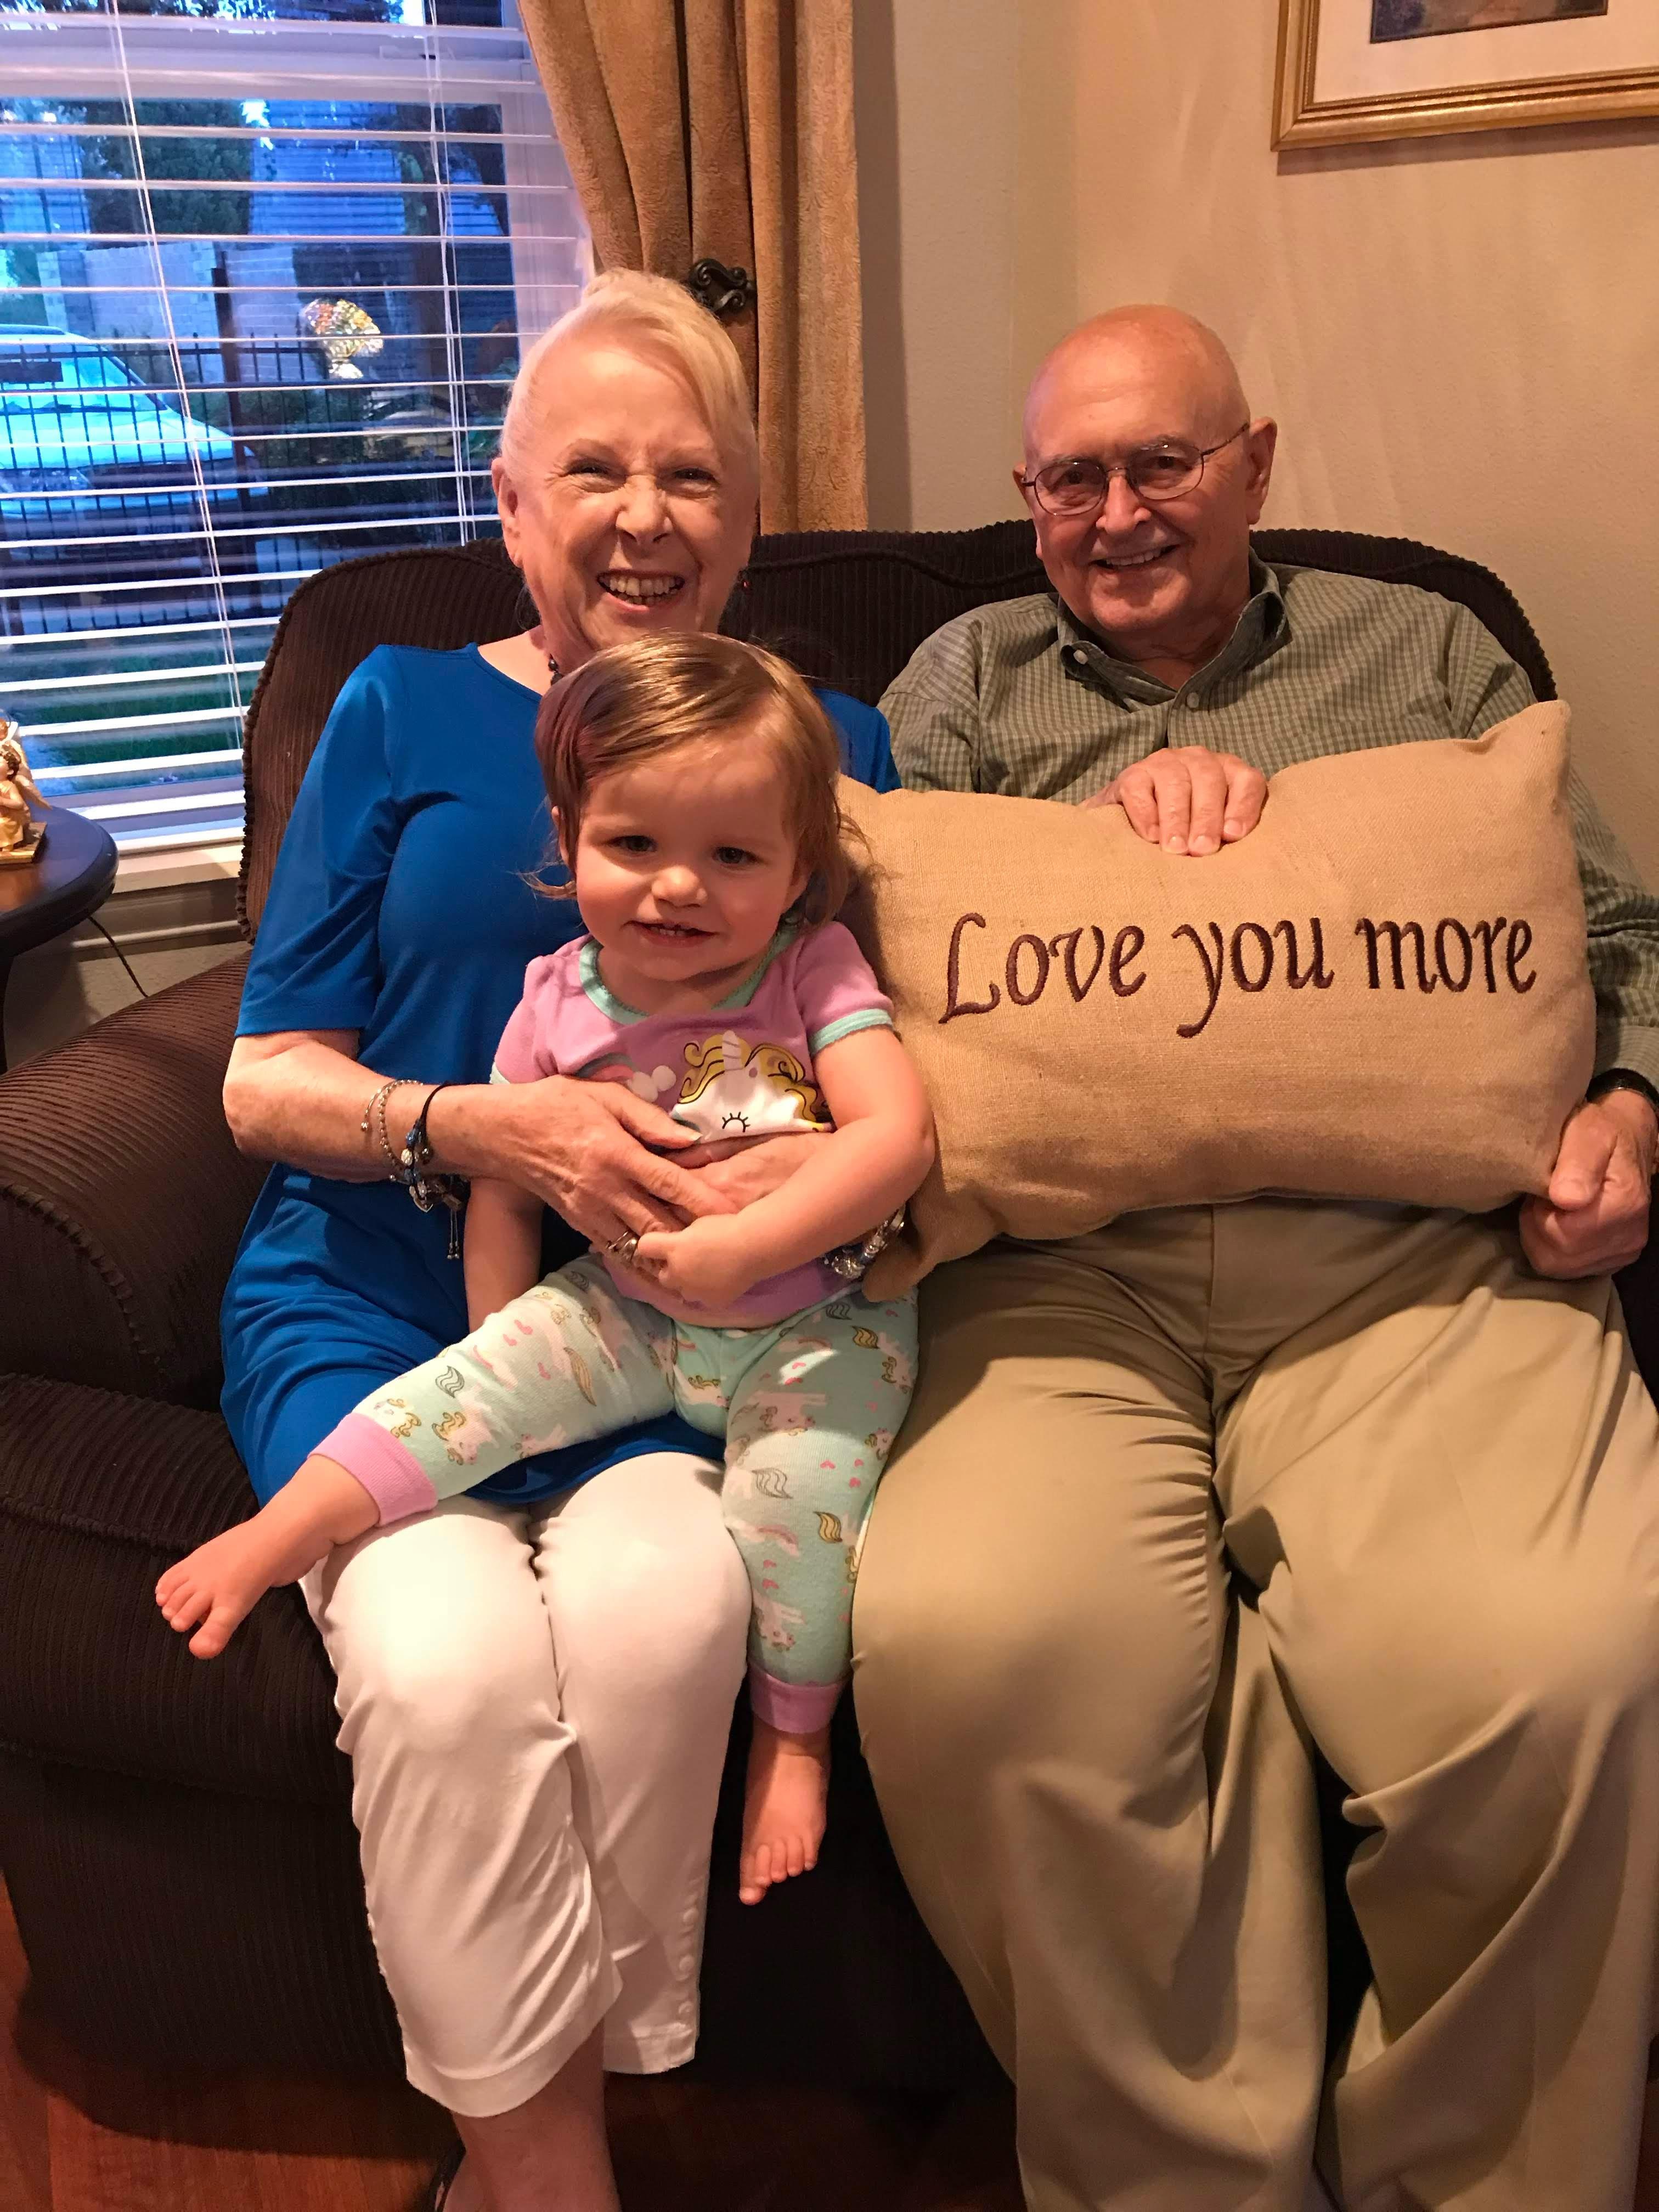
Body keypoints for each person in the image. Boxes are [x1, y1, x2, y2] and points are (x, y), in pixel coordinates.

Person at [856, 303, 1659, 2212]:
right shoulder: (959, 684)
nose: (1118, 513)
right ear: (1026, 501)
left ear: (1257, 464)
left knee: (1559, 1662)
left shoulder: (1429, 650)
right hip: (1054, 1272)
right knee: (977, 1639)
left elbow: (1617, 932)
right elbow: (851, 970)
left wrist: (1628, 1112)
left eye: (1164, 464)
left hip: (1408, 1263)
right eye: (1072, 479)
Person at [216, 273, 901, 2212]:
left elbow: (915, 1051)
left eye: (690, 473)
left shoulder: (830, 736)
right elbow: (261, 1077)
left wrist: (808, 1193)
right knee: (439, 1664)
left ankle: (548, 2129)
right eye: (590, 467)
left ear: (749, 525)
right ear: (511, 508)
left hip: (677, 1323)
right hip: (373, 1291)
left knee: (665, 1614)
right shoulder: (396, 699)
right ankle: (548, 2180)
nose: (641, 513)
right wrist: (477, 1123)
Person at [167, 632, 931, 1904]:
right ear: (572, 838)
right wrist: (498, 1346)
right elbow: (505, 1188)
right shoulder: (554, 995)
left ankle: (793, 1740)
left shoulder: (815, 967)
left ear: (801, 876)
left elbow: (896, 1135)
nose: (678, 887)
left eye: (733, 857)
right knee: (455, 1395)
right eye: (635, 847)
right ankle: (284, 1532)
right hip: (628, 1307)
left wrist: (748, 1245)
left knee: (799, 1512)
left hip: (818, 1326)